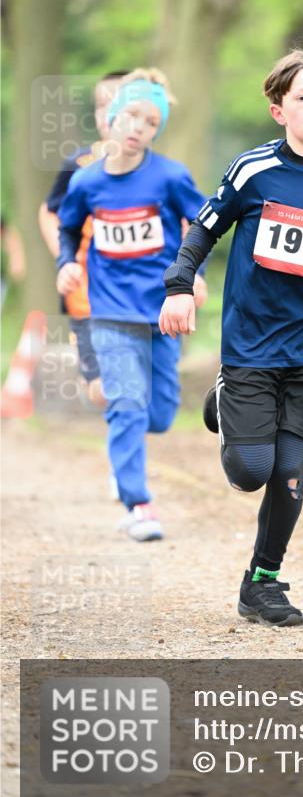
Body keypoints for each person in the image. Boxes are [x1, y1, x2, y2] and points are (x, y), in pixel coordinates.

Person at [159, 47, 303, 624]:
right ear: (278, 111)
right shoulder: (254, 171)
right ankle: (225, 398)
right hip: (252, 345)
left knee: (290, 470)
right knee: (250, 472)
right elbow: (204, 229)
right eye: (302, 97)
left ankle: (262, 581)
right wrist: (179, 285)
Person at [56, 68, 208, 541]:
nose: (139, 126)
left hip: (162, 310)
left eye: (150, 121)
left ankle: (130, 446)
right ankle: (138, 503)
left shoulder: (169, 177)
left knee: (158, 413)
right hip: (110, 311)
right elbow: (66, 226)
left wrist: (194, 277)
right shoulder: (85, 181)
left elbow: (202, 223)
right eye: (132, 115)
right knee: (126, 402)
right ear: (111, 118)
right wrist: (67, 262)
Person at [38, 71, 128, 406]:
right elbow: (48, 211)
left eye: (118, 105)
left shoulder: (156, 172)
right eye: (101, 106)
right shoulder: (78, 163)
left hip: (136, 294)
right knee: (101, 389)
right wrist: (64, 258)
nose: (109, 114)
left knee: (137, 386)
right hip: (86, 293)